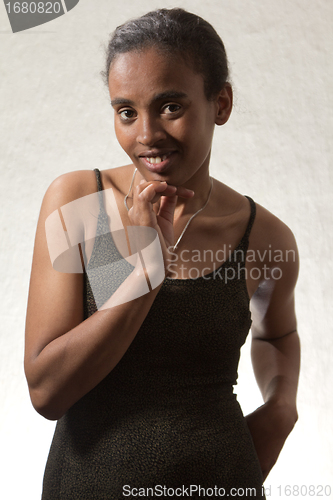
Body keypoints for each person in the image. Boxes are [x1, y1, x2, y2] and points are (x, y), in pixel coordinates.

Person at [24, 8, 300, 499]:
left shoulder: (264, 236)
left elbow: (278, 332)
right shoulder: (79, 205)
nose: (146, 134)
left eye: (170, 106)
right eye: (126, 111)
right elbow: (46, 390)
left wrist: (282, 406)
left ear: (221, 103)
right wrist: (143, 273)